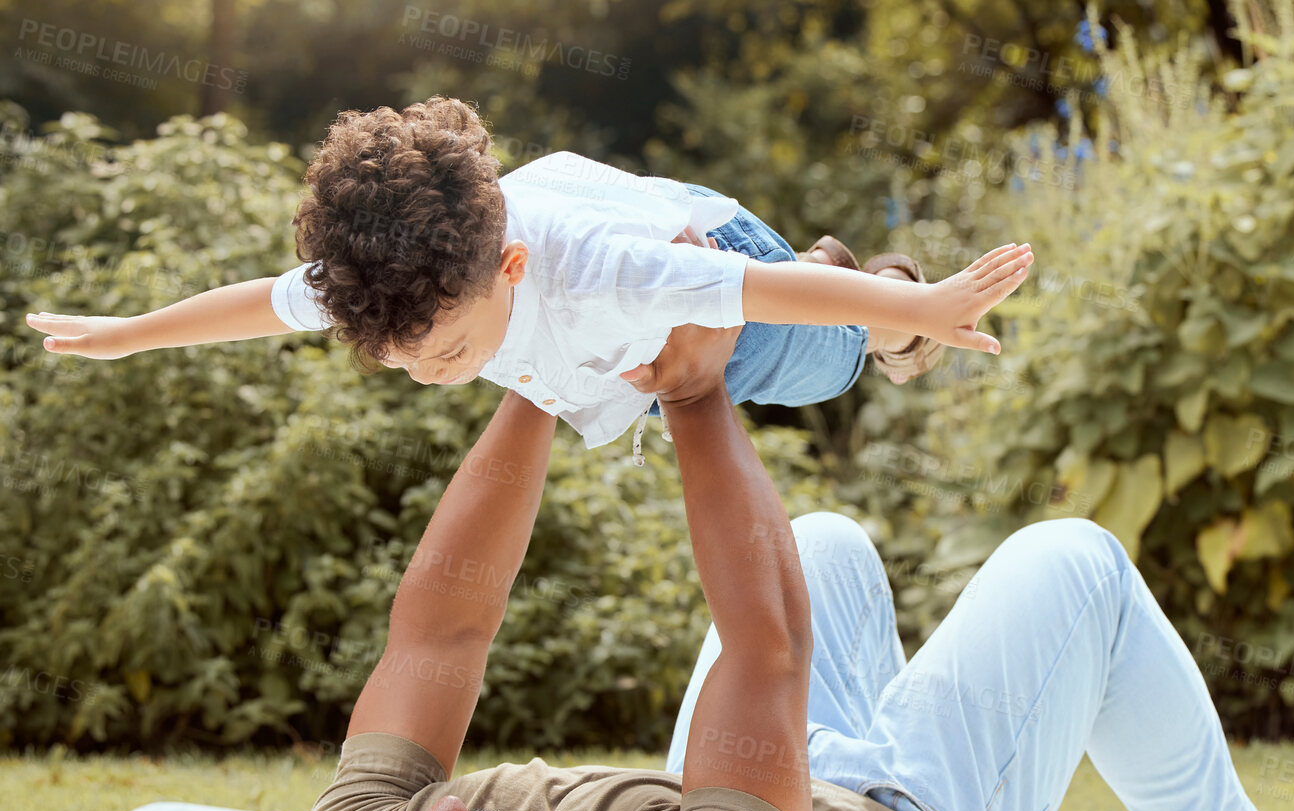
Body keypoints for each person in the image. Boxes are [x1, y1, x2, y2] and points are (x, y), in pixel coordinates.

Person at [268, 322, 1294, 811]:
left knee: (830, 541)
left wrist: (540, 382)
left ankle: (867, 750)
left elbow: (442, 630)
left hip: (742, 808)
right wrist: (695, 390)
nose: (458, 807)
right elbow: (768, 646)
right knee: (1074, 564)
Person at [22, 95, 1032, 464]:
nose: (426, 375)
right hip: (634, 244)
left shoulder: (604, 273)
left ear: (509, 268)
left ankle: (879, 290)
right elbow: (257, 305)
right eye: (399, 360)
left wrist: (922, 310)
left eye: (450, 351)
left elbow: (755, 296)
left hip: (728, 262)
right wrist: (125, 333)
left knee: (823, 366)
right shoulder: (395, 267)